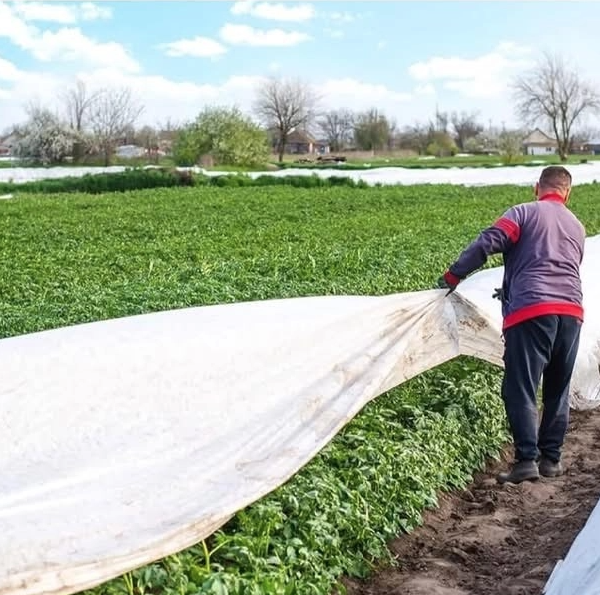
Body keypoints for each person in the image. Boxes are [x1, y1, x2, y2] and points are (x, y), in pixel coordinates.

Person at [437, 165, 585, 484]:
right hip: (572, 312)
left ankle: (526, 461)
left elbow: (487, 243)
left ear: (537, 187)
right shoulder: (576, 226)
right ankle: (551, 460)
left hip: (531, 311)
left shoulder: (522, 213)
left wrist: (453, 276)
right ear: (567, 193)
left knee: (521, 387)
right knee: (558, 388)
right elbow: (558, 267)